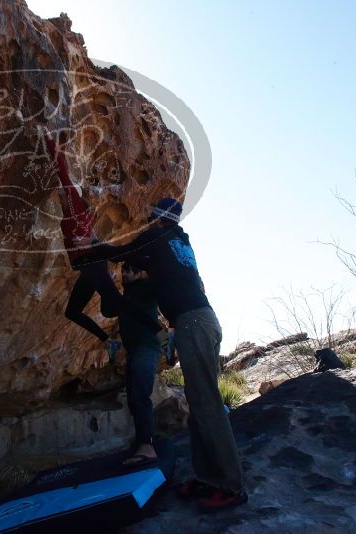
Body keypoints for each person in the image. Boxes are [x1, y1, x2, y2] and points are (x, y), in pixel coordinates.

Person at [91, 196, 248, 512]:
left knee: (207, 404)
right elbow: (146, 264)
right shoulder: (177, 241)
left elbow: (124, 252)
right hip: (200, 321)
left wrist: (95, 246)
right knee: (198, 401)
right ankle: (208, 477)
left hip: (192, 323)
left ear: (155, 217)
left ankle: (232, 486)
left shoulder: (156, 235)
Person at [45, 135, 164, 361]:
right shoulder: (74, 215)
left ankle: (160, 333)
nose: (59, 194)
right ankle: (109, 341)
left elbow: (62, 173)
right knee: (73, 312)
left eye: (63, 193)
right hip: (87, 267)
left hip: (93, 262)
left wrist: (49, 140)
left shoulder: (74, 208)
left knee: (115, 302)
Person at [119, 260, 163, 466]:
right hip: (134, 350)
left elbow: (160, 286)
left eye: (128, 271)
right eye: (122, 271)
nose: (124, 275)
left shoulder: (144, 288)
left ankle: (147, 447)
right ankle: (141, 443)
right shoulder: (126, 295)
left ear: (139, 274)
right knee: (133, 398)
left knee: (140, 395)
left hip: (147, 348)